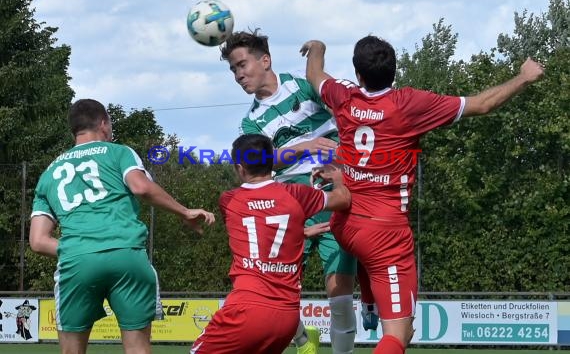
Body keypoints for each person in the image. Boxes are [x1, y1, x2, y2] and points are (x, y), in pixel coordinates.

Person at [300, 36, 545, 354]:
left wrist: (317, 47)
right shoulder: (408, 104)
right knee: (400, 334)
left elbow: (314, 74)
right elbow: (483, 104)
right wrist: (524, 77)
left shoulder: (344, 97)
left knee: (364, 256)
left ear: (358, 75)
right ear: (394, 71)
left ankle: (371, 301)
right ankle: (374, 303)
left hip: (345, 223)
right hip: (383, 233)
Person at [29, 98, 216, 354]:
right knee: (138, 348)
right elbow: (140, 187)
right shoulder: (119, 152)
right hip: (127, 255)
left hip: (76, 262)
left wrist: (80, 248)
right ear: (103, 123)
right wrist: (184, 211)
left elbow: (38, 241)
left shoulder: (48, 174)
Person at [220, 30, 358, 354]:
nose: (239, 75)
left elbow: (334, 91)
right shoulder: (250, 122)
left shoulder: (302, 84)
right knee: (265, 292)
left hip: (332, 194)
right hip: (286, 207)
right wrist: (304, 146)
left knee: (339, 295)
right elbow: (259, 160)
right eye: (233, 70)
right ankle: (300, 338)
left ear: (265, 60)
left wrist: (319, 50)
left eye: (242, 65)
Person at [191, 134, 351, 353]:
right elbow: (343, 199)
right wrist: (337, 174)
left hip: (245, 309)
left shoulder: (228, 200)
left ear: (240, 168)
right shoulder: (297, 194)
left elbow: (259, 228)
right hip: (286, 317)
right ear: (271, 162)